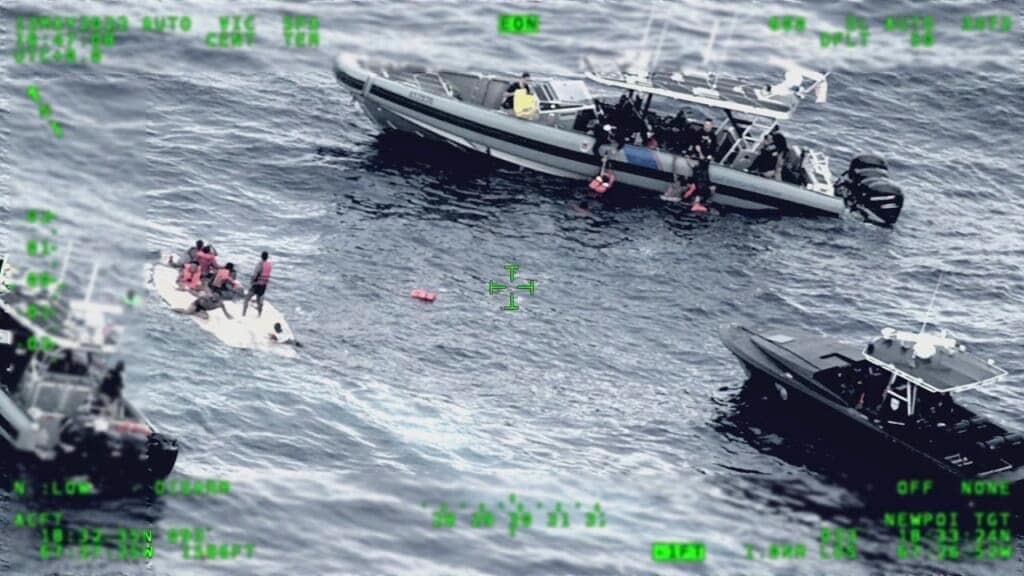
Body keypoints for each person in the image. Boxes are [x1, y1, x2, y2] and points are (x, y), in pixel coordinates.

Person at [242, 251, 272, 317]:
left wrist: (251, 282)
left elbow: (255, 275)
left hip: (256, 284)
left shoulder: (260, 264)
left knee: (247, 298)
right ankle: (259, 315)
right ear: (267, 257)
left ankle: (243, 314)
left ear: (261, 256)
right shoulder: (269, 265)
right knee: (259, 300)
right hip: (264, 285)